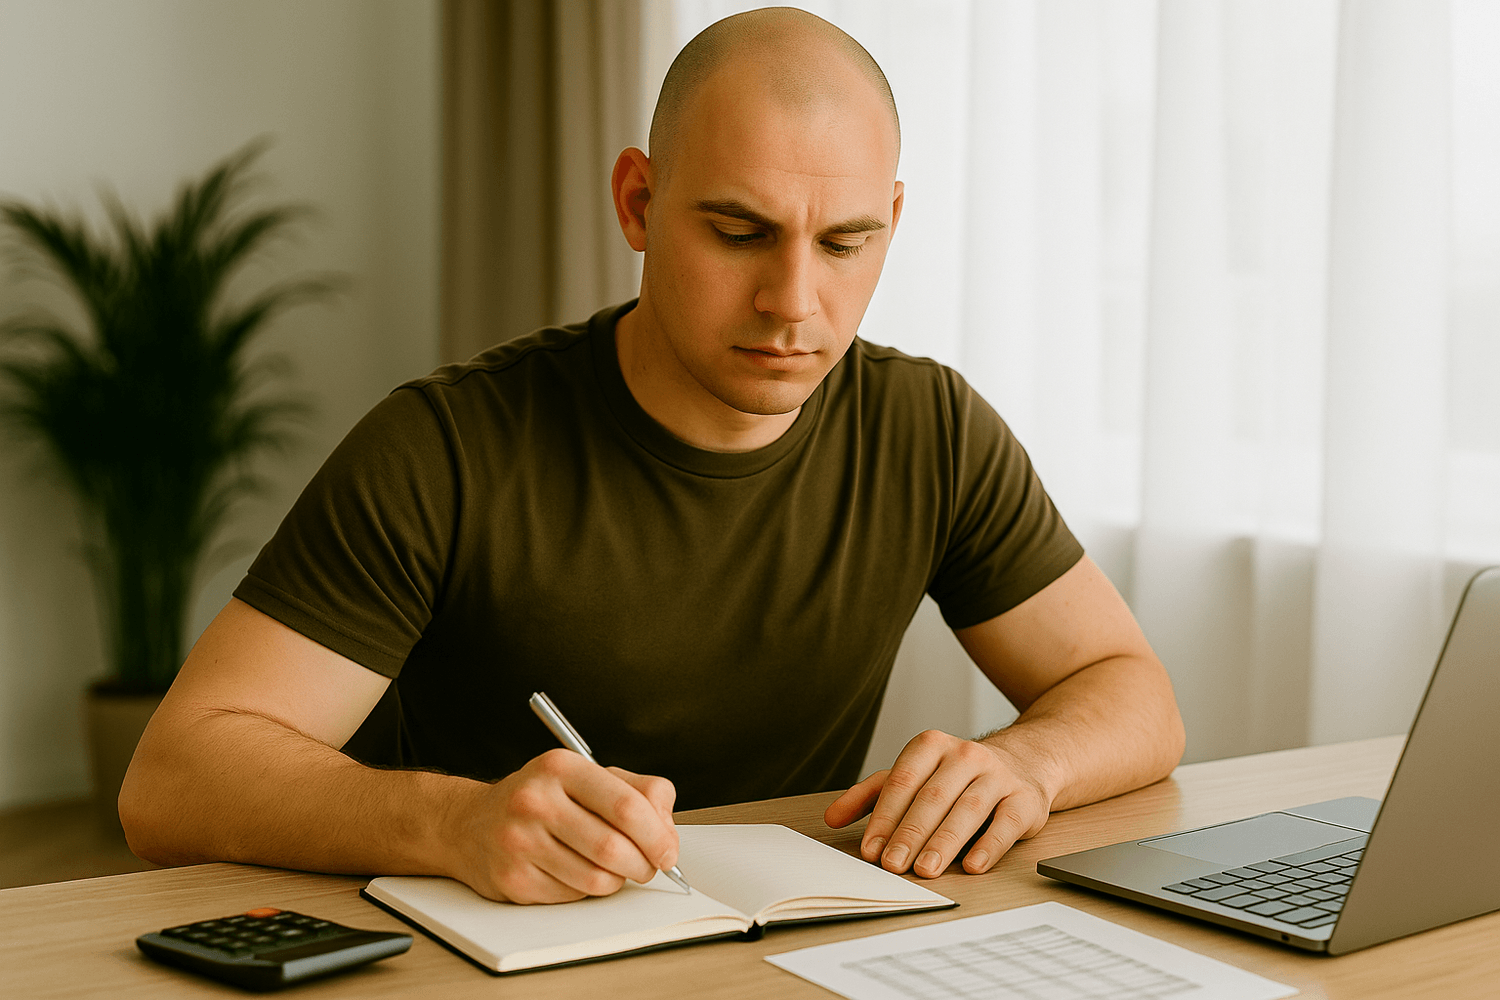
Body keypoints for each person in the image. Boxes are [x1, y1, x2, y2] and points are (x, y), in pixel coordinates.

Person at [120, 7, 1184, 905]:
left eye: (846, 242)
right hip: (481, 953)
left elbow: (1129, 689)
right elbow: (172, 779)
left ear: (891, 223)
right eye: (738, 231)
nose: (794, 303)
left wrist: (1024, 761)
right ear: (639, 201)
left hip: (779, 954)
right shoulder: (444, 445)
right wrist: (452, 820)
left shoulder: (932, 431)